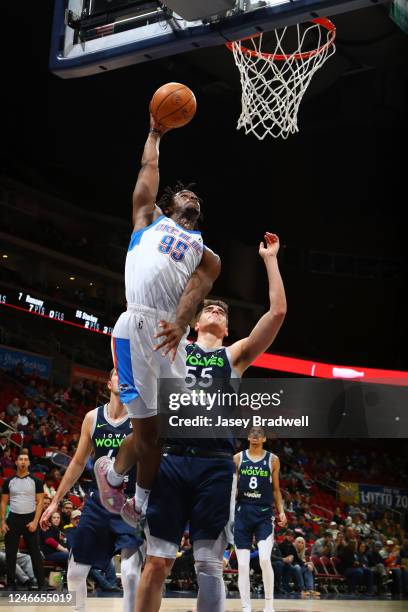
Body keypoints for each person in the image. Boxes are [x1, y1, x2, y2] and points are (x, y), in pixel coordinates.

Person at [100, 230, 286, 612]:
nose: (216, 310)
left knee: (209, 565)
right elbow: (143, 309)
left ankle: (116, 475)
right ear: (196, 322)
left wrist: (270, 260)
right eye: (210, 308)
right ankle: (115, 476)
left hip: (215, 465)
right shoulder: (174, 345)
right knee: (157, 563)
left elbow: (277, 313)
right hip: (171, 460)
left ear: (229, 329)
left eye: (223, 311)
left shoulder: (234, 357)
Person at [94, 113, 221, 528]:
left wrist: (183, 323)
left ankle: (138, 502)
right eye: (185, 195)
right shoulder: (147, 220)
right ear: (169, 206)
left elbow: (196, 292)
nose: (193, 199)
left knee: (161, 433)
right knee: (147, 430)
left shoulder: (207, 254)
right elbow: (148, 170)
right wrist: (153, 133)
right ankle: (114, 477)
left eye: (197, 200)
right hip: (134, 328)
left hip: (170, 336)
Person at [40, 369, 145, 612]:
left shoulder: (140, 419)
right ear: (109, 383)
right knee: (75, 572)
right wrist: (56, 501)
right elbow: (77, 463)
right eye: (118, 374)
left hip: (128, 504)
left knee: (129, 573)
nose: (123, 377)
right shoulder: (92, 417)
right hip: (98, 502)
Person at [235, 426, 287, 612]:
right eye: (252, 434)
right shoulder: (238, 458)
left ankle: (269, 605)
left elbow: (276, 489)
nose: (255, 437)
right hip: (242, 513)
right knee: (242, 564)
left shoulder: (273, 460)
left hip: (264, 514)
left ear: (264, 439)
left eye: (259, 435)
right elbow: (233, 489)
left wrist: (281, 511)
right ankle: (245, 607)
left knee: (265, 559)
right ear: (248, 437)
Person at [0, 452, 45, 590]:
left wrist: (35, 521)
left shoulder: (36, 481)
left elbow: (41, 502)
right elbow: (3, 502)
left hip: (30, 519)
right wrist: (2, 522)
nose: (23, 462)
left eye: (26, 460)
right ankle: (12, 584)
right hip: (13, 519)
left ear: (29, 463)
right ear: (16, 462)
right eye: (21, 459)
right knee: (10, 553)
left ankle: (41, 584)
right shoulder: (9, 481)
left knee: (35, 553)